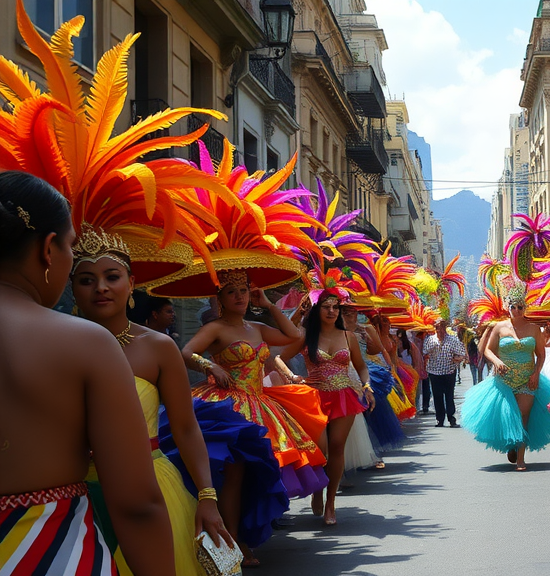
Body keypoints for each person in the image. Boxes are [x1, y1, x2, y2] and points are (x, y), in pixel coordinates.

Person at [0, 172, 174, 574]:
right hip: (52, 554)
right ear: (48, 249)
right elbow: (136, 504)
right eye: (71, 248)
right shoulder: (86, 344)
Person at [70, 227, 235, 574]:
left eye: (111, 276)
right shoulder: (54, 345)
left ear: (131, 284)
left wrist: (207, 497)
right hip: (74, 493)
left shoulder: (158, 347)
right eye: (86, 279)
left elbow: (186, 428)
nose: (100, 287)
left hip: (149, 485)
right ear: (72, 288)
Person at [182, 272, 328, 565]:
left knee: (256, 474)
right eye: (232, 292)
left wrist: (270, 306)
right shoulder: (216, 328)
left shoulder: (258, 328)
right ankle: (233, 543)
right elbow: (186, 352)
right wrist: (210, 365)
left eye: (244, 291)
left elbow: (294, 336)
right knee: (234, 475)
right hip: (227, 407)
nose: (240, 296)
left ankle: (243, 539)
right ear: (219, 298)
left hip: (260, 405)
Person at [275, 292, 374, 526]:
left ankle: (331, 503)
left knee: (337, 448)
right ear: (316, 310)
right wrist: (291, 376)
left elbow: (361, 367)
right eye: (326, 307)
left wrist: (367, 386)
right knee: (321, 449)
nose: (332, 311)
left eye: (335, 307)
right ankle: (317, 489)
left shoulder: (348, 337)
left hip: (344, 397)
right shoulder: (305, 336)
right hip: (314, 398)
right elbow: (279, 358)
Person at [461, 290, 550, 470]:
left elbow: (541, 355)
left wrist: (536, 373)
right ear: (509, 307)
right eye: (513, 307)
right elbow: (488, 350)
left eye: (520, 307)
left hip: (527, 379)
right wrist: (497, 361)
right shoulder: (499, 327)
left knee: (524, 416)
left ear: (525, 308)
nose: (516, 310)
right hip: (504, 379)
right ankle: (513, 445)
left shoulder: (534, 329)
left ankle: (521, 458)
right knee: (509, 415)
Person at [341, 306, 406, 453]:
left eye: (352, 310)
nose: (350, 313)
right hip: (342, 372)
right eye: (345, 310)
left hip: (364, 369)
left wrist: (371, 335)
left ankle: (371, 449)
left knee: (371, 408)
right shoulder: (334, 330)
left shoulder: (366, 329)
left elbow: (377, 349)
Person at [423, 317, 468, 428]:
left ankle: (451, 418)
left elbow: (461, 353)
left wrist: (458, 358)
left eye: (442, 327)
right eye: (437, 328)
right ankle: (440, 419)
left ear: (445, 328)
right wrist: (433, 346)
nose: (440, 330)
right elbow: (424, 351)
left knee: (449, 395)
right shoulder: (430, 340)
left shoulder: (452, 340)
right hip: (434, 372)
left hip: (449, 371)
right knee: (437, 396)